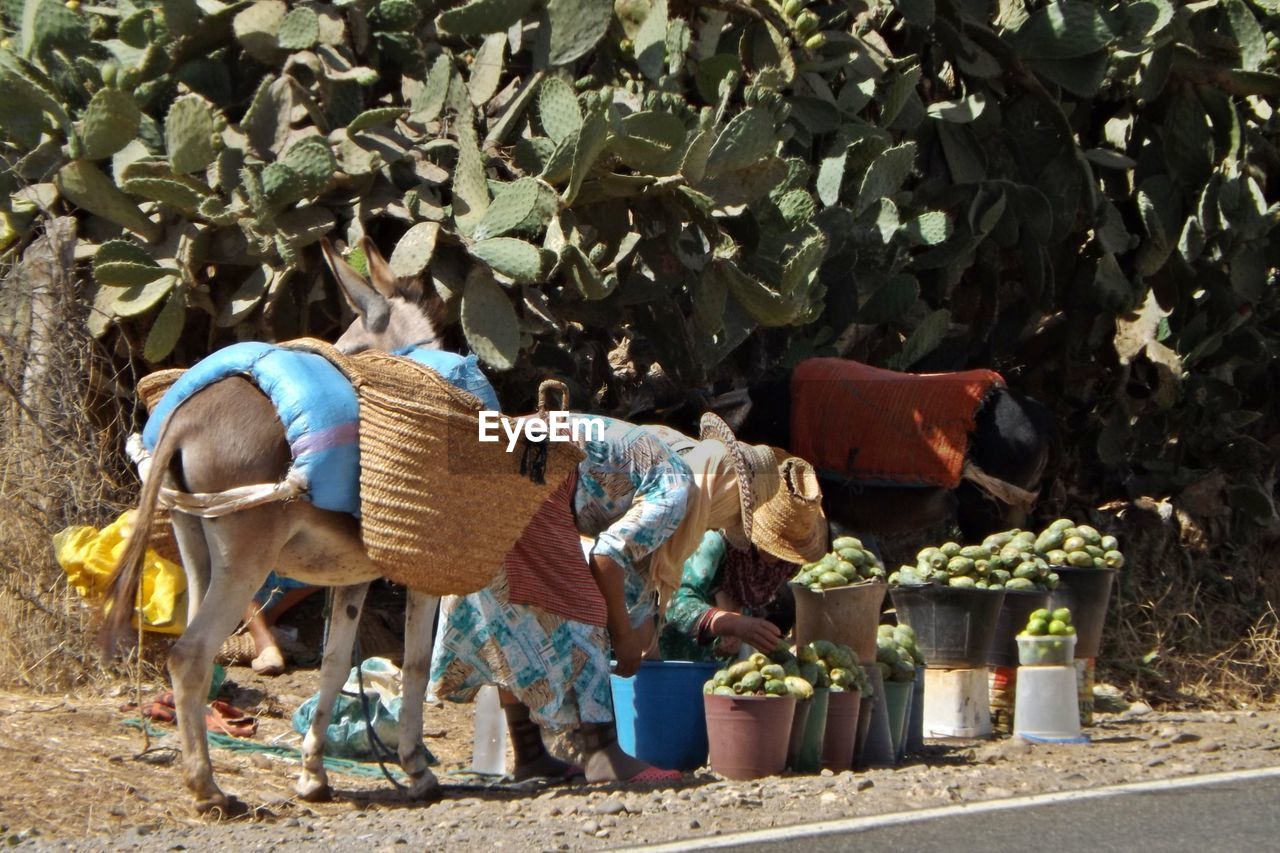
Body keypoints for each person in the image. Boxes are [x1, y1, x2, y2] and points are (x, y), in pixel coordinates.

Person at [428, 412, 798, 783]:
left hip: (497, 454)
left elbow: (628, 574)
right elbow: (606, 559)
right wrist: (621, 637)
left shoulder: (662, 458)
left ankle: (530, 755)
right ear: (727, 489)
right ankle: (602, 751)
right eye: (732, 512)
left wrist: (640, 637)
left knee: (509, 614)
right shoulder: (676, 486)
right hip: (528, 468)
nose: (722, 520)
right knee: (584, 611)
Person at [658, 450, 827, 662]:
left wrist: (742, 629)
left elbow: (748, 601)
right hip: (677, 663)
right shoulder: (716, 543)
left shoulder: (789, 565)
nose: (780, 556)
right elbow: (675, 601)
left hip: (725, 672)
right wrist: (729, 623)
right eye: (779, 541)